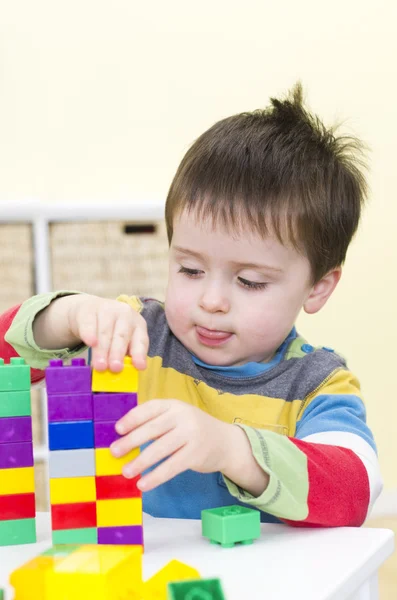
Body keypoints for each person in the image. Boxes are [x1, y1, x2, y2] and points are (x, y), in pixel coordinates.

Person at [0, 83, 382, 526]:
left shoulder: (318, 385)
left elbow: (355, 492)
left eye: (250, 281)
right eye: (190, 270)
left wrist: (230, 447)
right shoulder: (134, 338)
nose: (212, 301)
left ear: (317, 287)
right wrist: (65, 317)